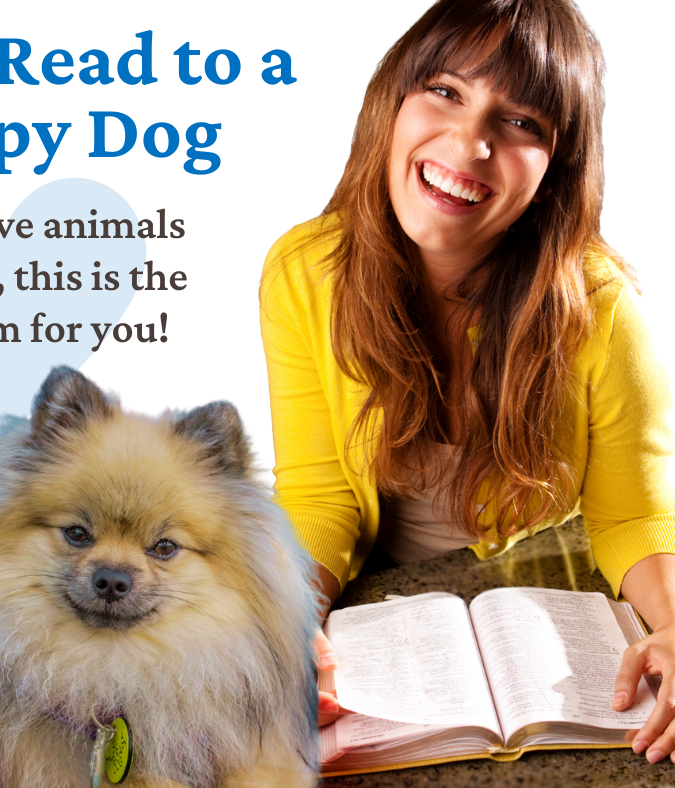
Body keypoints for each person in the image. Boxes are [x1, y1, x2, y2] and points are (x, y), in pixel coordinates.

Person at [259, 0, 675, 765]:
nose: (471, 142)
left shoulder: (605, 307)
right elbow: (319, 495)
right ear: (392, 102)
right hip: (376, 604)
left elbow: (634, 518)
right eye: (445, 91)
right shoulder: (305, 271)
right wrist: (285, 617)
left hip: (551, 596)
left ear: (556, 174)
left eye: (522, 123)